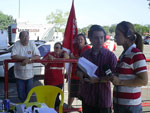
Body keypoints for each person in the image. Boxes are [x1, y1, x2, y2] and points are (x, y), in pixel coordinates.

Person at [77, 25, 117, 113]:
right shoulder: (85, 55)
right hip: (88, 98)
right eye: (96, 38)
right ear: (90, 39)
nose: (99, 41)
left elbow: (114, 78)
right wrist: (80, 75)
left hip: (103, 100)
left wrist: (98, 80)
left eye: (101, 38)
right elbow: (78, 71)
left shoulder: (110, 56)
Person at [110, 21, 148, 113]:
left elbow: (143, 81)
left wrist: (119, 81)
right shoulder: (124, 55)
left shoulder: (136, 54)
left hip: (130, 106)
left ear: (128, 35)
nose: (115, 37)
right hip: (119, 104)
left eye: (118, 34)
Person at [11, 31, 40, 102]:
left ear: (29, 37)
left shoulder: (31, 43)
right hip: (19, 75)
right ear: (20, 38)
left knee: (29, 94)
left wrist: (29, 59)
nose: (25, 38)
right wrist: (25, 59)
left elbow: (38, 56)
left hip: (29, 75)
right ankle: (23, 107)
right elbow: (13, 56)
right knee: (21, 94)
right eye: (23, 36)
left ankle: (26, 107)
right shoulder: (17, 44)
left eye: (27, 36)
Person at [43, 42, 69, 108]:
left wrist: (64, 52)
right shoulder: (49, 54)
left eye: (60, 48)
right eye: (56, 47)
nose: (58, 49)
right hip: (49, 82)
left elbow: (67, 57)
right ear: (54, 48)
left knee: (55, 98)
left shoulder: (63, 55)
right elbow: (43, 62)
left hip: (59, 83)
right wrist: (48, 58)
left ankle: (56, 108)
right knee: (52, 99)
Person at [68, 33, 91, 108]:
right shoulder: (75, 49)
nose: (79, 41)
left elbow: (85, 60)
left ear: (85, 40)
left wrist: (74, 58)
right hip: (74, 75)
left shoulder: (88, 48)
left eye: (81, 39)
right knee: (72, 93)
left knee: (84, 94)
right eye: (78, 39)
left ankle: (84, 108)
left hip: (84, 75)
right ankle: (68, 107)